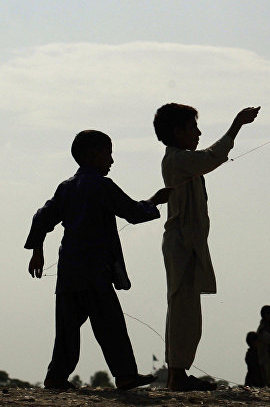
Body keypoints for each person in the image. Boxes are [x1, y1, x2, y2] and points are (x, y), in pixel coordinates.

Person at [25, 130, 171, 390]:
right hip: (95, 271)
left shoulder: (66, 187)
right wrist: (155, 201)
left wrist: (38, 251)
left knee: (67, 328)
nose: (112, 160)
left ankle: (56, 377)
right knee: (110, 323)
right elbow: (132, 213)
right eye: (108, 153)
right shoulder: (101, 185)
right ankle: (125, 375)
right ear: (92, 155)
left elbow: (41, 218)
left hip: (69, 270)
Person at [153, 103, 260, 391]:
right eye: (192, 128)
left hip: (189, 243)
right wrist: (236, 124)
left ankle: (179, 372)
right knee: (181, 307)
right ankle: (176, 375)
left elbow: (208, 158)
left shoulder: (183, 160)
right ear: (177, 132)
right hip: (180, 243)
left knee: (188, 309)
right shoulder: (177, 160)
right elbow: (212, 157)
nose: (198, 133)